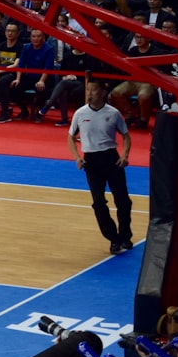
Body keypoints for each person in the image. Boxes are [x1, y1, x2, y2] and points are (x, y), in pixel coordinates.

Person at [68, 81, 134, 254]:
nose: (90, 92)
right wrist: (77, 157)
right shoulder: (80, 113)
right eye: (88, 89)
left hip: (111, 158)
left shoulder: (113, 113)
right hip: (92, 161)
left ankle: (125, 234)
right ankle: (113, 238)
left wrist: (125, 155)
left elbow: (126, 136)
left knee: (123, 200)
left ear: (103, 92)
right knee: (98, 202)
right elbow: (70, 137)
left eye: (94, 89)